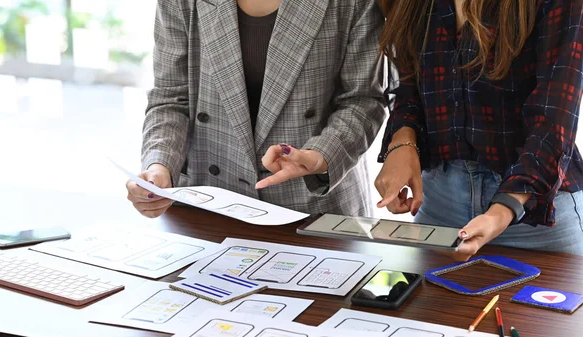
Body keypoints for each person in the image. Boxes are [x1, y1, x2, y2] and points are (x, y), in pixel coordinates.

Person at [127, 0, 385, 218]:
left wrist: (321, 154)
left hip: (313, 207)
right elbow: (171, 97)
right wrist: (159, 166)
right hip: (208, 205)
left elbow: (363, 100)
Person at [375, 0, 583, 260]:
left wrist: (502, 210)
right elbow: (408, 87)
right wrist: (402, 142)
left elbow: (555, 119)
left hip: (536, 220)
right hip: (438, 205)